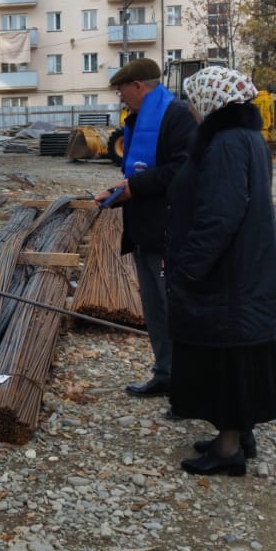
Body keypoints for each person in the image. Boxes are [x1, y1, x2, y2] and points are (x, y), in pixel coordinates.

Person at [164, 66, 276, 477]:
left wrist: (190, 268)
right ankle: (239, 433)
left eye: (193, 101)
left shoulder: (226, 144)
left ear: (210, 102)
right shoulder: (249, 138)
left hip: (228, 276)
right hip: (245, 271)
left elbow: (220, 214)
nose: (190, 109)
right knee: (241, 356)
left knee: (229, 359)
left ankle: (229, 447)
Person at [94, 58, 196, 401]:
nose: (120, 96)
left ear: (139, 85)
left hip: (168, 229)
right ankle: (165, 373)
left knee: (173, 307)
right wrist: (118, 192)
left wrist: (135, 187)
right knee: (154, 308)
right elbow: (138, 171)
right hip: (144, 229)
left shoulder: (176, 115)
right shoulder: (138, 119)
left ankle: (187, 381)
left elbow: (185, 169)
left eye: (122, 89)